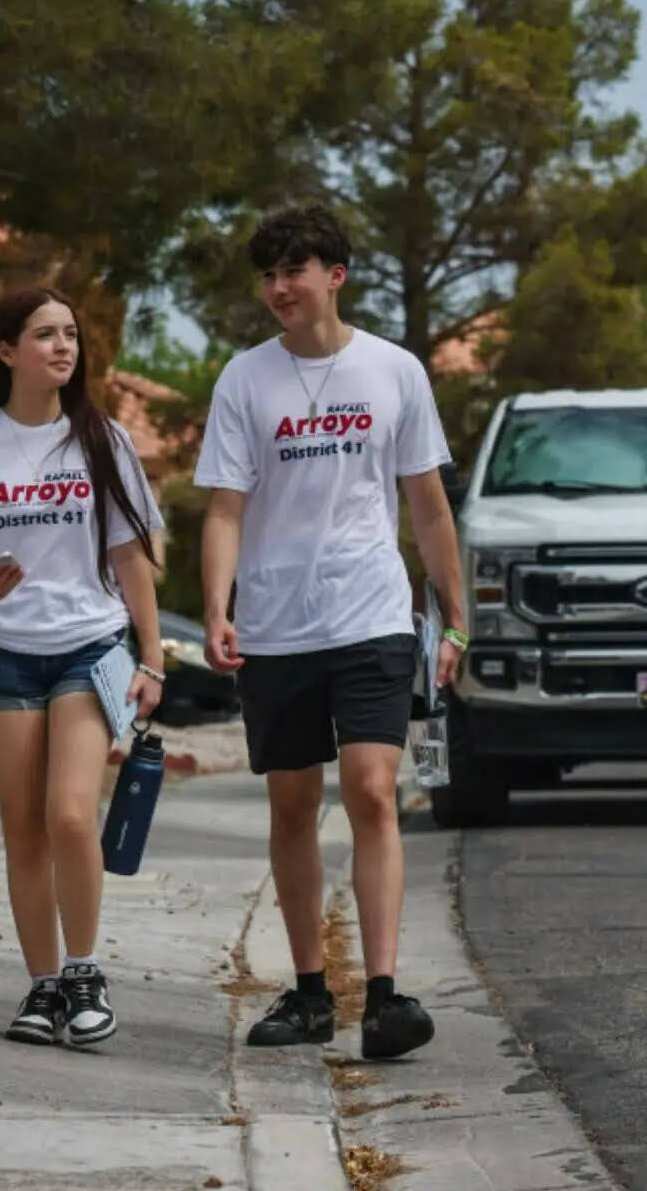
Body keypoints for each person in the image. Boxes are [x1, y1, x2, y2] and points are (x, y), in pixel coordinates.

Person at [194, 206, 465, 1060]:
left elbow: (426, 503)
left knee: (374, 789)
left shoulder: (394, 371)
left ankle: (384, 997)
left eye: (294, 271)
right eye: (267, 275)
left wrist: (455, 613)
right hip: (277, 622)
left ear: (335, 275)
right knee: (292, 804)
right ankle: (311, 991)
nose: (278, 288)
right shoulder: (245, 380)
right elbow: (226, 507)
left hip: (372, 612)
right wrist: (215, 606)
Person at [0, 288, 165, 1047]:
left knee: (68, 815)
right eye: (45, 335)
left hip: (90, 648)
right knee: (23, 830)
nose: (64, 347)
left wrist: (152, 659)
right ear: (6, 351)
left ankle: (85, 972)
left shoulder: (101, 440)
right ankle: (43, 987)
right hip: (5, 655)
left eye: (71, 335)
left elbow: (130, 555)